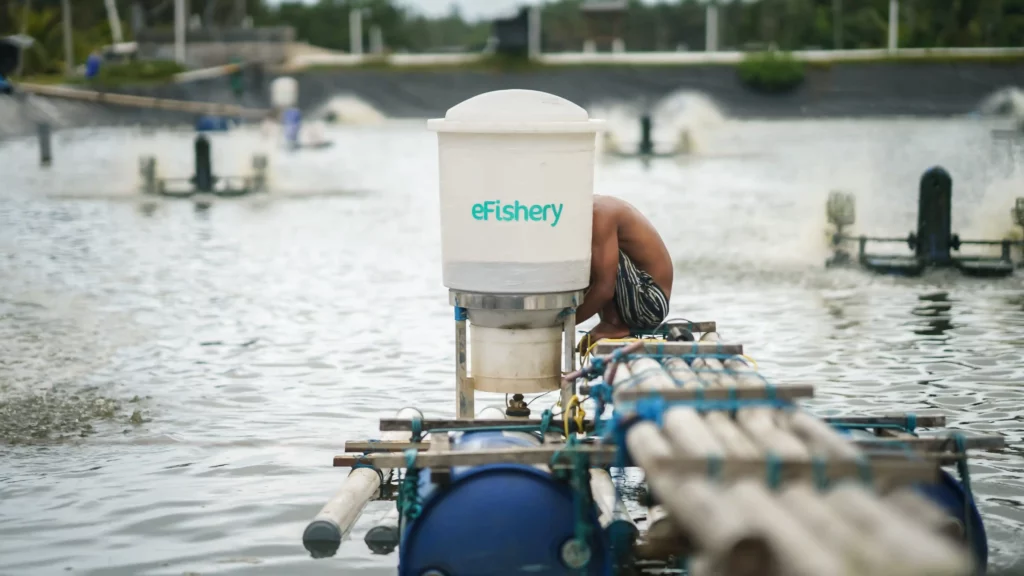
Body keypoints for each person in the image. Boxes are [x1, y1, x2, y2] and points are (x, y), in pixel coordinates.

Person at [575, 195, 673, 351]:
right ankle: (611, 322)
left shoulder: (598, 213)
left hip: (650, 304)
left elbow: (604, 287)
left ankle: (614, 324)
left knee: (598, 257)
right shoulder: (589, 210)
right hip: (634, 299)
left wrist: (561, 325)